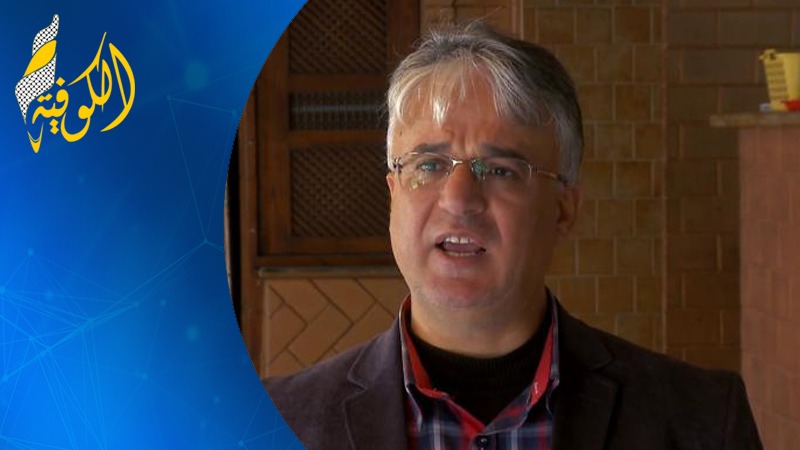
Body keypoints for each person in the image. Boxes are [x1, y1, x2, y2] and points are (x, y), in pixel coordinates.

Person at [265, 22, 762, 450]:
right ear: (393, 196)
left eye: (501, 169)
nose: (459, 199)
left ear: (563, 210)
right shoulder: (275, 422)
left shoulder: (700, 420)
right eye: (429, 165)